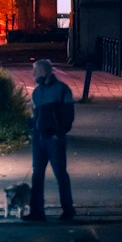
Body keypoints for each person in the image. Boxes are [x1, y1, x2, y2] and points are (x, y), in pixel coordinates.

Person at [23, 58, 76, 222]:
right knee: (37, 175)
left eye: (36, 71)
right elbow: (36, 115)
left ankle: (67, 209)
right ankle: (37, 211)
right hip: (40, 138)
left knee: (59, 173)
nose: (33, 75)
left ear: (44, 72)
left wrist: (58, 133)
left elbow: (68, 115)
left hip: (53, 139)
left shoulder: (61, 89)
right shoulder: (37, 92)